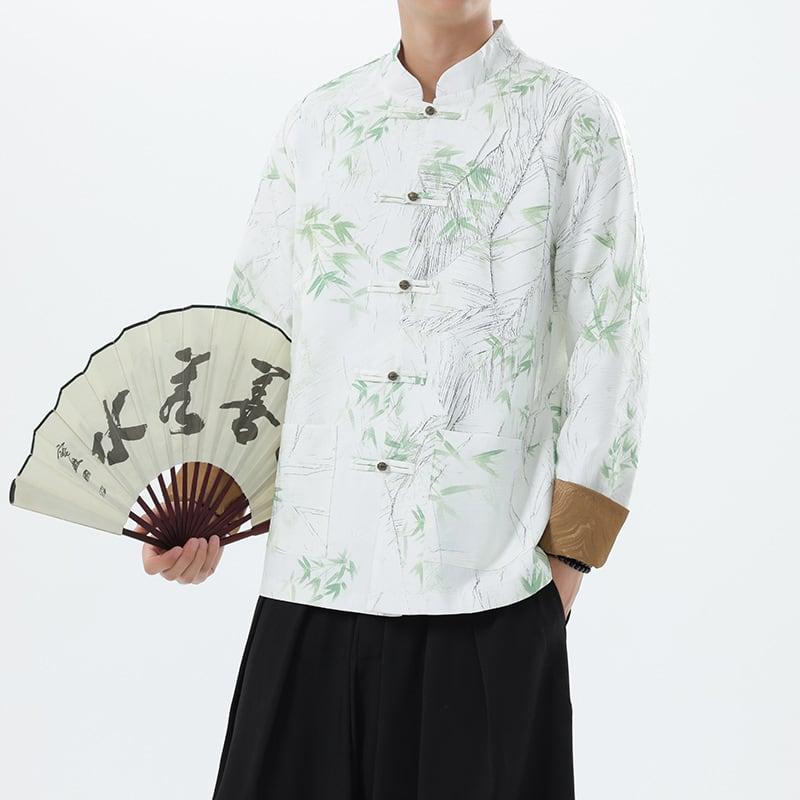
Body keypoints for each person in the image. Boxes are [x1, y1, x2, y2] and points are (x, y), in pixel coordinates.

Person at [141, 2, 649, 798]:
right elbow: (256, 336)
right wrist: (201, 506)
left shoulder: (572, 121)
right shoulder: (318, 125)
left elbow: (610, 343)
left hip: (490, 597)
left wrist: (566, 566)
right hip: (313, 586)